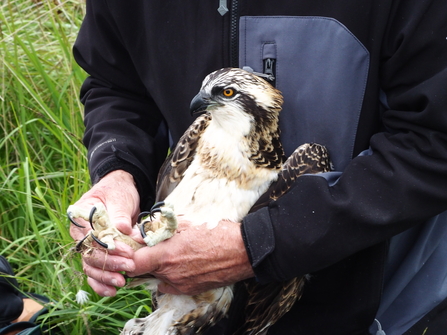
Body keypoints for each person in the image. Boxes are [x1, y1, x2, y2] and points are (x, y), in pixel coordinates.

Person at [69, 1, 447, 334]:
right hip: (192, 300)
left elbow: (434, 141)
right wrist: (118, 170)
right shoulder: (205, 123)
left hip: (381, 303)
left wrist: (259, 243)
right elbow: (116, 82)